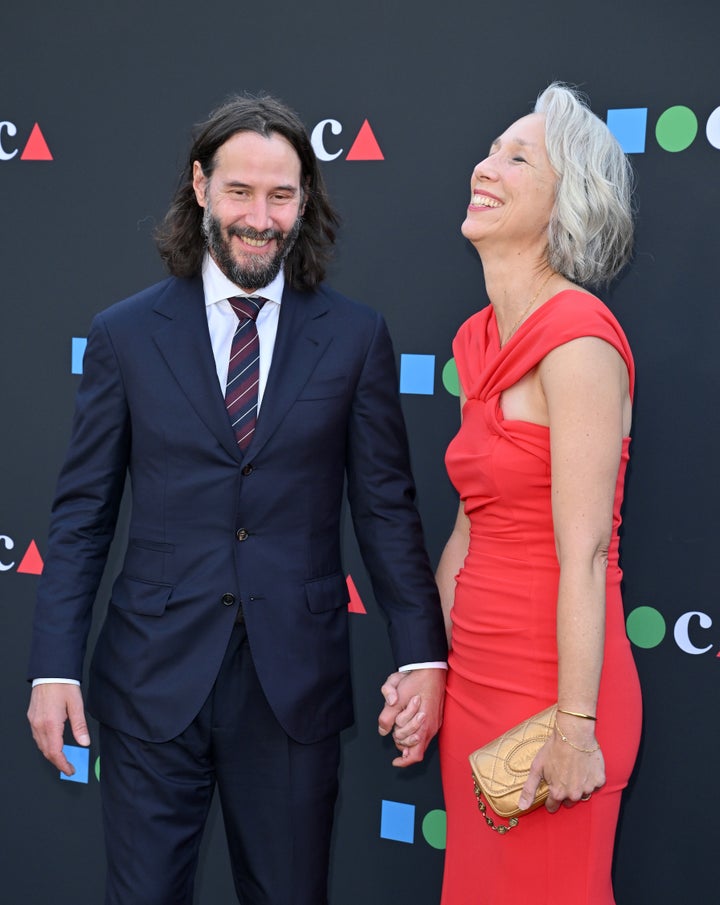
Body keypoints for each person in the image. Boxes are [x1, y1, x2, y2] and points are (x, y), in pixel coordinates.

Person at [26, 94, 447, 905]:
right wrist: (53, 668)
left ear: (306, 199)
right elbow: (80, 518)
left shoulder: (355, 337)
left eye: (281, 195)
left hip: (295, 685)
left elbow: (387, 511)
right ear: (200, 187)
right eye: (241, 192)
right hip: (151, 679)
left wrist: (423, 656)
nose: (260, 218)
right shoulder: (124, 334)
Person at [435, 83, 642, 904]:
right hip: (475, 687)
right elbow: (466, 531)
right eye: (491, 150)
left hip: (556, 699)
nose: (485, 167)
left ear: (567, 202)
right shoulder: (477, 341)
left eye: (518, 158)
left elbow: (585, 552)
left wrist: (576, 727)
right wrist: (434, 670)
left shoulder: (580, 340)